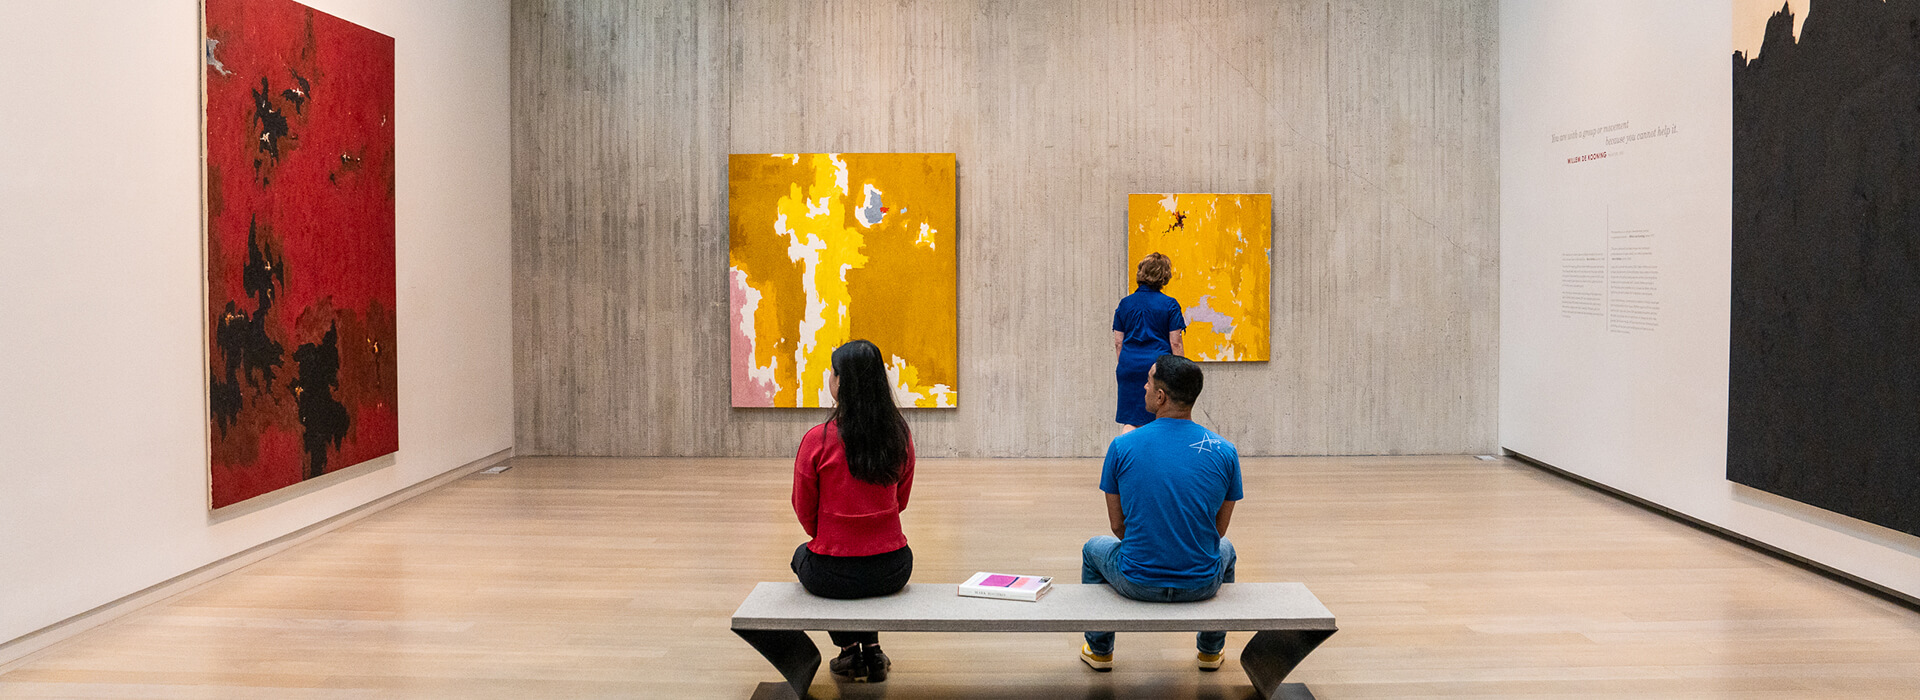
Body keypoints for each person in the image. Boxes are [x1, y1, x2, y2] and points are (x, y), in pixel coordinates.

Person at [1080, 355, 1243, 672]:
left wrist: (1152, 547)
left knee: (1092, 549)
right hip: (1201, 583)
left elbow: (1117, 527)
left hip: (1137, 580)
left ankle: (1099, 650)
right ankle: (1210, 651)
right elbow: (1217, 532)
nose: (1143, 386)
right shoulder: (1225, 450)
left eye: (1148, 381)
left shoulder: (1123, 445)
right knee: (1227, 550)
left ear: (1160, 396)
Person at [790, 339, 917, 683]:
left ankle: (849, 652)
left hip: (833, 570)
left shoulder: (818, 439)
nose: (829, 378)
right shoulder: (899, 435)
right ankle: (873, 650)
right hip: (893, 567)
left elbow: (804, 509)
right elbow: (900, 501)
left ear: (841, 382)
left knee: (800, 558)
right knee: (865, 575)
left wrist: (833, 538)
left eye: (832, 372)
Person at [1113, 253, 1186, 429]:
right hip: (1158, 369)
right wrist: (1181, 373)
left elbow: (1118, 343)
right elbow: (1176, 343)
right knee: (1161, 420)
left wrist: (1126, 363)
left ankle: (1127, 455)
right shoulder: (1170, 304)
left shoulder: (1125, 304)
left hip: (1129, 366)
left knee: (1131, 421)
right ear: (1164, 275)